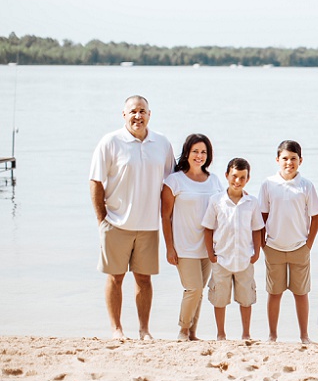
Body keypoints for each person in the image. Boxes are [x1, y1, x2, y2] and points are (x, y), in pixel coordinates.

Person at [89, 95, 175, 340]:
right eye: (133, 112)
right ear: (124, 115)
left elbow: (171, 184)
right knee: (115, 278)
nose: (138, 116)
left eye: (143, 111)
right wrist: (101, 219)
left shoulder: (162, 143)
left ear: (150, 114)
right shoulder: (110, 142)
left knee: (144, 279)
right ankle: (116, 329)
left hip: (149, 225)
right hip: (116, 222)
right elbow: (96, 180)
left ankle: (144, 330)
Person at [161, 134, 224, 341]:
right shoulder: (174, 181)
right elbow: (165, 216)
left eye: (203, 152)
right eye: (195, 151)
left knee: (200, 291)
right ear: (187, 152)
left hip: (208, 246)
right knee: (193, 288)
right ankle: (182, 330)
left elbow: (223, 211)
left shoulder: (214, 180)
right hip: (184, 246)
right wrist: (169, 247)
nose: (199, 156)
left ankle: (193, 333)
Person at [258, 140, 318, 344]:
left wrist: (308, 244)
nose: (289, 162)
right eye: (285, 158)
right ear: (277, 160)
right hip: (274, 247)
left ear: (300, 161)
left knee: (300, 293)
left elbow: (316, 216)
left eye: (293, 158)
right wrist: (263, 244)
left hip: (299, 247)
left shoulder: (306, 186)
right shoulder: (268, 184)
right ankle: (272, 335)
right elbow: (262, 216)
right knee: (274, 293)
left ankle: (304, 336)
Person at [202, 158, 264, 341]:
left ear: (248, 178)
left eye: (242, 178)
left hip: (244, 258)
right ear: (227, 175)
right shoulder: (216, 201)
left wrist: (257, 252)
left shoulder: (251, 202)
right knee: (219, 299)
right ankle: (221, 334)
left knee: (246, 299)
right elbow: (208, 228)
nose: (237, 181)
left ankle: (246, 333)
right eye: (234, 176)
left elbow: (257, 229)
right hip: (221, 258)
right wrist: (210, 254)